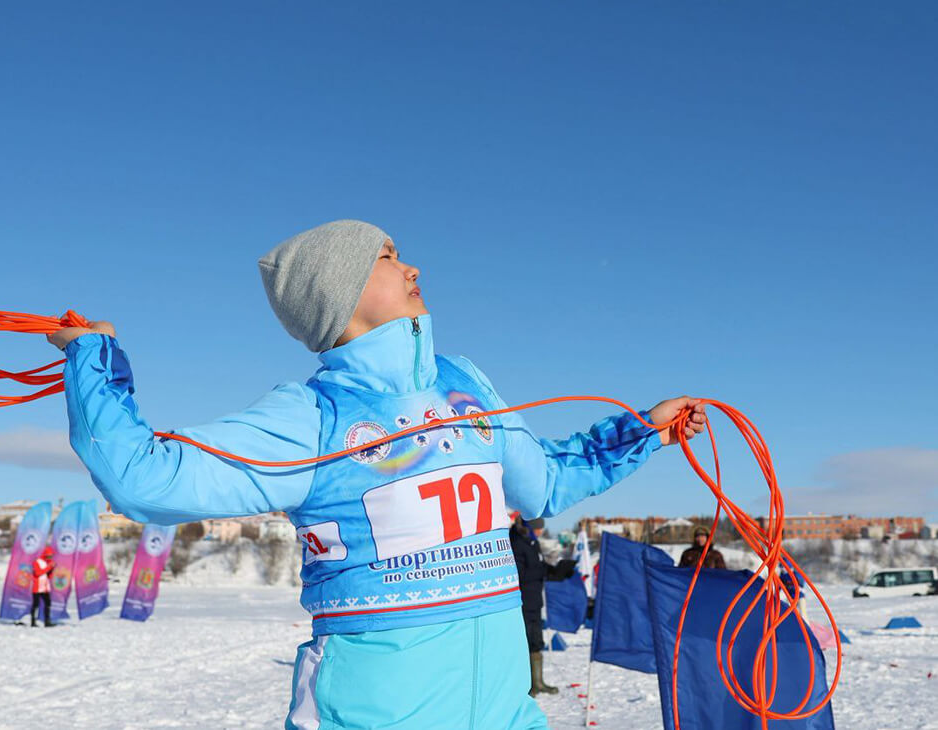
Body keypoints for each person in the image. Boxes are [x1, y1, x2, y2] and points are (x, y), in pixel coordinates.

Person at [49, 220, 707, 729]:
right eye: (389, 257)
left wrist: (644, 430)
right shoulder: (311, 416)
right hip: (378, 711)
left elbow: (547, 485)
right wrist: (91, 357)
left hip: (504, 709)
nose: (413, 265)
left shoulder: (465, 383)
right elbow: (144, 476)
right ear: (337, 289)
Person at [509, 514, 575, 697]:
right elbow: (520, 573)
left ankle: (538, 682)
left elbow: (539, 568)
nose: (540, 532)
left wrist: (559, 571)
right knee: (526, 642)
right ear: (529, 528)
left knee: (536, 641)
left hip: (534, 601)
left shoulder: (531, 542)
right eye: (537, 529)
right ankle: (527, 684)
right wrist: (540, 570)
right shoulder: (516, 543)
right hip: (522, 601)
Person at [31, 545, 55, 627]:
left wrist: (51, 570)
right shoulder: (37, 562)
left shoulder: (47, 563)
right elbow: (38, 573)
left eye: (51, 556)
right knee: (36, 604)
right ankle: (33, 621)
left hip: (45, 588)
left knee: (48, 604)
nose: (50, 558)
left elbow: (48, 576)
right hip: (37, 588)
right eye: (48, 556)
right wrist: (49, 567)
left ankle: (47, 621)